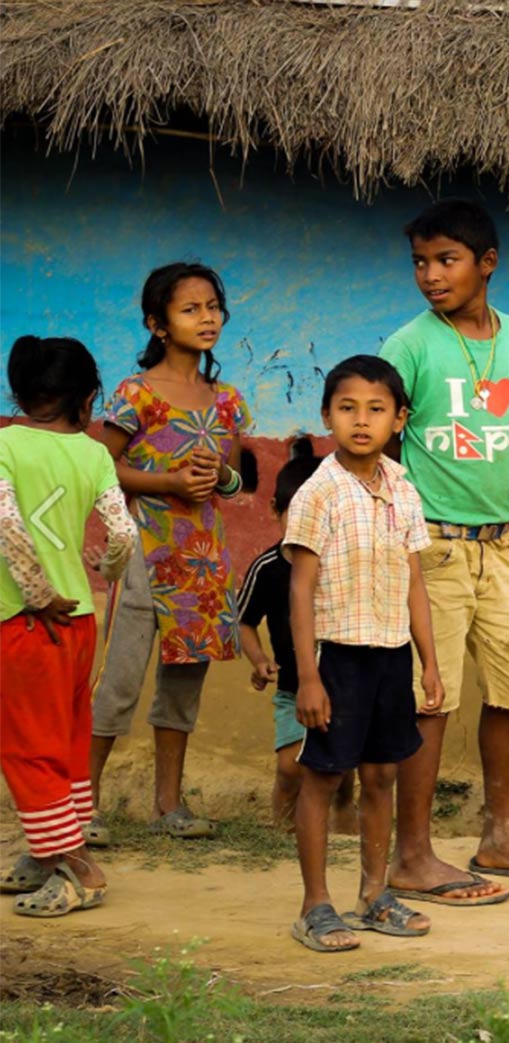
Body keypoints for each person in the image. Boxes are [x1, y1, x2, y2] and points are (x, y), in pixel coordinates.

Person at [379, 198, 509, 903]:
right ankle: (412, 853)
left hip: (499, 544)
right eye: (419, 262)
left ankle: (501, 834)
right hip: (432, 544)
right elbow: (377, 434)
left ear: (487, 263)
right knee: (429, 698)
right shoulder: (409, 344)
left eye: (446, 260)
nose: (430, 276)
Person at [283, 356, 445, 952]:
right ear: (328, 415)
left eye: (376, 410)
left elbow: (415, 581)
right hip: (336, 658)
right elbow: (299, 587)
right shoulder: (318, 493)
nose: (361, 420)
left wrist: (428, 662)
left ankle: (375, 894)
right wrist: (307, 677)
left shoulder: (403, 486)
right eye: (347, 408)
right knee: (324, 777)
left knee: (382, 773)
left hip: (390, 654)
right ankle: (314, 905)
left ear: (399, 419)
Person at [89, 262, 253, 845]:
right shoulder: (136, 394)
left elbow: (234, 482)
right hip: (143, 554)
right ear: (157, 325)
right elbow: (102, 467)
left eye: (213, 306)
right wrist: (170, 485)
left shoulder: (226, 400)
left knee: (183, 686)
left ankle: (168, 805)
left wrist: (219, 478)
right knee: (119, 683)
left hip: (203, 561)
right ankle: (82, 805)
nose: (207, 318)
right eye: (191, 310)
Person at [0, 336, 137, 916]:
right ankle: (47, 849)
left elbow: (7, 527)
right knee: (67, 736)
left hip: (26, 623)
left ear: (21, 392)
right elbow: (125, 534)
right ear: (86, 398)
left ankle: (76, 864)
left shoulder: (4, 445)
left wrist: (36, 594)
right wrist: (101, 574)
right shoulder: (94, 453)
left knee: (28, 747)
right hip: (80, 623)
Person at [235, 436, 338, 830]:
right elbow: (243, 620)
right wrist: (259, 659)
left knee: (341, 776)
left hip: (341, 685)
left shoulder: (339, 563)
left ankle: (343, 837)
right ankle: (281, 831)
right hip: (293, 691)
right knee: (290, 768)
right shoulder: (267, 567)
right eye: (294, 516)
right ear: (276, 510)